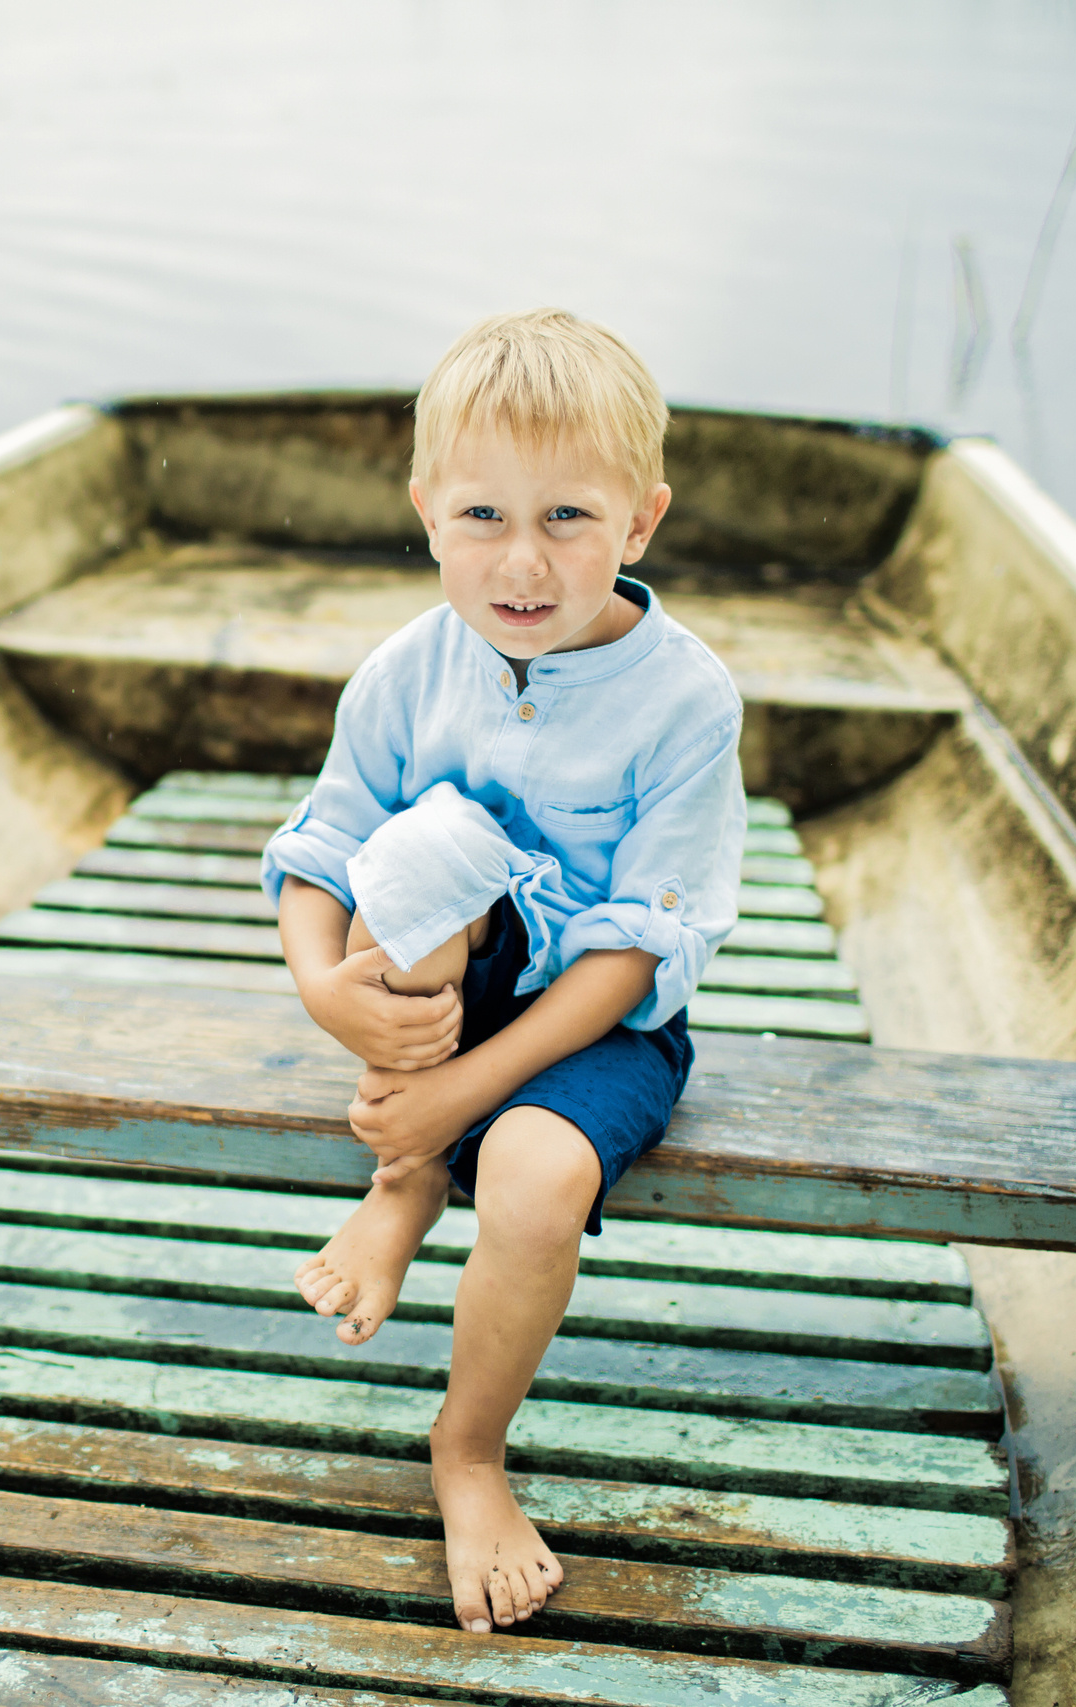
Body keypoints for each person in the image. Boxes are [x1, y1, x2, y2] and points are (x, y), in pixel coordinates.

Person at [260, 307, 744, 1636]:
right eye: (482, 515)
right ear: (427, 512)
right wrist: (321, 988)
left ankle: (467, 1449)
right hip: (446, 990)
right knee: (429, 842)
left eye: (568, 518)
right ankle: (407, 1182)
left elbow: (635, 950)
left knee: (533, 1175)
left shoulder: (684, 700)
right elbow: (325, 849)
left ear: (640, 523)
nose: (521, 561)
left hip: (600, 1022)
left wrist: (459, 1094)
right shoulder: (409, 671)